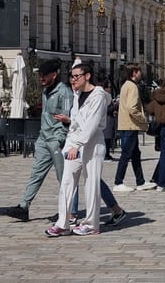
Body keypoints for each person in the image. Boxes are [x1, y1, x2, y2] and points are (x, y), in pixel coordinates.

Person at [6, 58, 73, 222]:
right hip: (44, 139)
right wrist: (40, 138)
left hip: (57, 141)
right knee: (36, 173)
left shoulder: (64, 92)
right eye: (40, 75)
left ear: (54, 75)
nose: (41, 78)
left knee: (63, 178)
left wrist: (60, 139)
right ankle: (24, 206)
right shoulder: (45, 91)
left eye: (44, 75)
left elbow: (67, 117)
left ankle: (67, 212)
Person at [45, 63, 107, 236]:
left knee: (91, 183)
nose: (73, 80)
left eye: (76, 76)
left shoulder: (98, 96)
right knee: (67, 181)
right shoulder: (76, 95)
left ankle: (91, 224)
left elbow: (92, 124)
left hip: (92, 143)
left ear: (87, 76)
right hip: (74, 142)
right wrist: (70, 142)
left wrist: (78, 145)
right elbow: (77, 121)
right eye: (71, 76)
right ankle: (63, 223)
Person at [114, 63, 155, 192]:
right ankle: (118, 182)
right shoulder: (132, 87)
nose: (141, 74)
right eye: (139, 71)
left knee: (135, 154)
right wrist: (143, 119)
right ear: (134, 73)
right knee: (126, 154)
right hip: (130, 125)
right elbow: (132, 108)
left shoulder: (125, 85)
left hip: (127, 124)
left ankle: (140, 181)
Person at [102, 80, 118, 160]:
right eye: (109, 87)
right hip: (106, 119)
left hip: (110, 119)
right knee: (106, 138)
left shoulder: (108, 95)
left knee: (109, 138)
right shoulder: (105, 96)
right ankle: (105, 154)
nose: (110, 89)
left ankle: (107, 153)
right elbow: (106, 109)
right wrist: (116, 105)